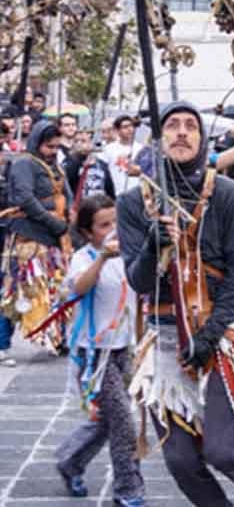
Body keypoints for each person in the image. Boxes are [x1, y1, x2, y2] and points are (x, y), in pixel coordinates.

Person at [117, 102, 234, 507]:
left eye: (190, 126)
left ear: (201, 138)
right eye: (172, 126)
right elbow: (139, 280)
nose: (181, 132)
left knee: (224, 450)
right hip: (163, 345)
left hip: (218, 334)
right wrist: (154, 244)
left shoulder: (227, 194)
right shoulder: (131, 203)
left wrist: (209, 337)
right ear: (158, 140)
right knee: (180, 460)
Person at [54, 195, 145, 506]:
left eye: (116, 222)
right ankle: (128, 489)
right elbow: (78, 288)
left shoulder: (130, 253)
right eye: (104, 225)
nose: (113, 230)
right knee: (123, 422)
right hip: (94, 356)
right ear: (88, 231)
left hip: (124, 351)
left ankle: (70, 460)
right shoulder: (84, 257)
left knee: (108, 420)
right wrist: (103, 258)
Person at [0, 120, 72, 351]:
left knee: (55, 290)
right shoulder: (24, 164)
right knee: (18, 292)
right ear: (37, 143)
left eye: (56, 147)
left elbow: (66, 195)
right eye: (49, 147)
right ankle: (2, 344)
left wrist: (68, 221)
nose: (53, 152)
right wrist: (53, 221)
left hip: (52, 237)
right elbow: (25, 199)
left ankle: (57, 340)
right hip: (27, 238)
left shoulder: (54, 166)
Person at [65, 129, 116, 213]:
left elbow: (109, 189)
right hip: (80, 210)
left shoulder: (101, 164)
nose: (80, 144)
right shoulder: (69, 162)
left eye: (83, 141)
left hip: (100, 209)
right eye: (76, 141)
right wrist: (80, 156)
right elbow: (68, 180)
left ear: (90, 143)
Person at [101, 115, 143, 195]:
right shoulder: (108, 149)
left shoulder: (141, 149)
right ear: (117, 130)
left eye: (131, 126)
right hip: (116, 195)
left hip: (137, 195)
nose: (130, 129)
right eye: (125, 127)